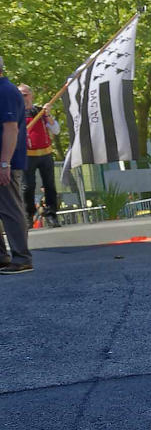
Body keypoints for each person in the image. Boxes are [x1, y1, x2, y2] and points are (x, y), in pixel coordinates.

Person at [0, 56, 32, 274]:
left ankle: (21, 258)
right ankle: (3, 257)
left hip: (6, 162)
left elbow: (11, 129)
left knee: (10, 209)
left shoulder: (6, 92)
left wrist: (4, 163)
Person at [22, 84, 61, 227]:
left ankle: (51, 214)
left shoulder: (40, 112)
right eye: (20, 95)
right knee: (28, 187)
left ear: (31, 95)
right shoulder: (15, 113)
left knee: (50, 185)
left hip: (45, 154)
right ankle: (28, 215)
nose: (23, 98)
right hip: (27, 155)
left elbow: (56, 130)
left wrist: (48, 115)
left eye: (25, 95)